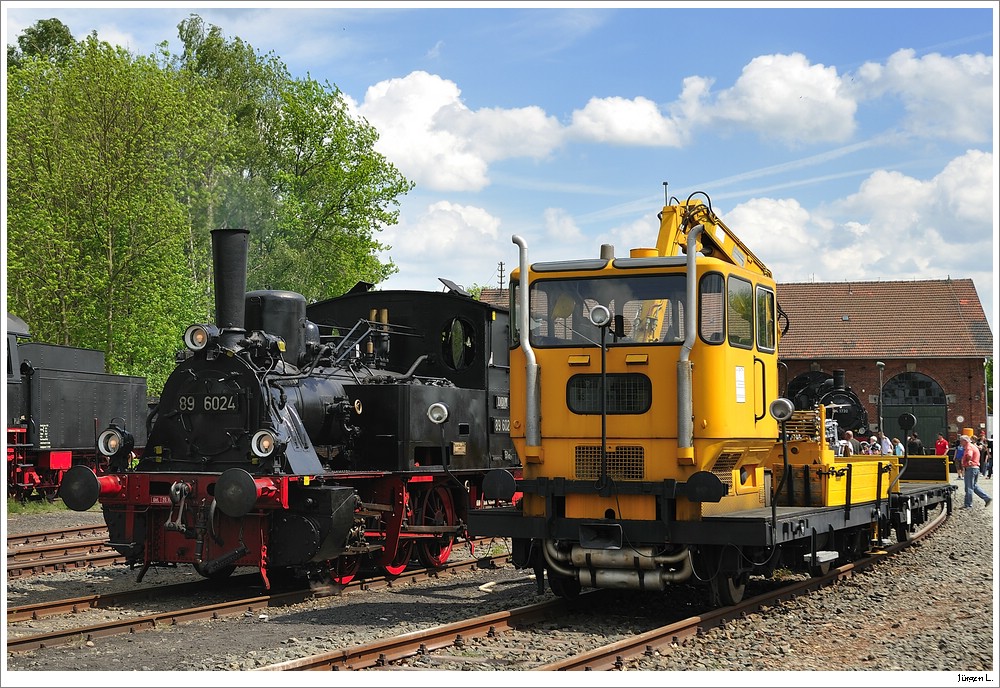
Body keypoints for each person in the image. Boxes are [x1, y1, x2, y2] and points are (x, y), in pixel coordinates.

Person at [958, 435, 991, 509]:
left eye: (961, 441)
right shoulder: (973, 446)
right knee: (974, 486)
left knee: (969, 487)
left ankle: (968, 505)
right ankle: (987, 498)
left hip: (970, 468)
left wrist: (967, 460)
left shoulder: (968, 447)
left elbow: (969, 455)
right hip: (975, 468)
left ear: (965, 441)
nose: (960, 442)